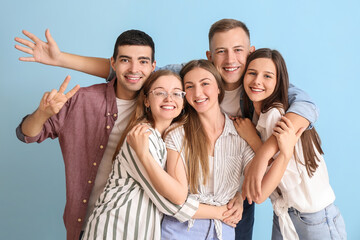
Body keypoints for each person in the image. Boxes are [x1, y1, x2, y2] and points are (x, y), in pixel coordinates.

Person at [14, 19, 318, 239]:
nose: (230, 59)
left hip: (229, 212)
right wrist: (61, 59)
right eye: (220, 52)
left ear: (250, 52)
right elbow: (134, 71)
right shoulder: (171, 111)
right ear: (209, 56)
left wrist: (264, 153)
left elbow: (304, 103)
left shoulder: (257, 87)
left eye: (238, 50)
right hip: (164, 219)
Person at [16, 30, 158, 240]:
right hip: (89, 225)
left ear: (153, 66)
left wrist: (61, 58)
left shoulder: (164, 106)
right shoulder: (82, 99)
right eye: (125, 60)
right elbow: (27, 134)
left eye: (143, 61)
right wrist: (41, 114)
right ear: (113, 63)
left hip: (141, 227)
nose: (134, 69)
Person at [82, 70, 234, 240]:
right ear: (147, 100)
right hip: (114, 230)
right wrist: (220, 212)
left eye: (177, 93)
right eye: (160, 92)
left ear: (183, 102)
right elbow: (171, 201)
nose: (169, 98)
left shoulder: (169, 139)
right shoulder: (141, 136)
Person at [235, 48, 346, 239]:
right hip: (285, 214)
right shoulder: (256, 113)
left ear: (279, 82)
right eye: (252, 73)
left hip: (314, 219)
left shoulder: (274, 116)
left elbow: (262, 192)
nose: (257, 81)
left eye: (267, 76)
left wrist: (253, 139)